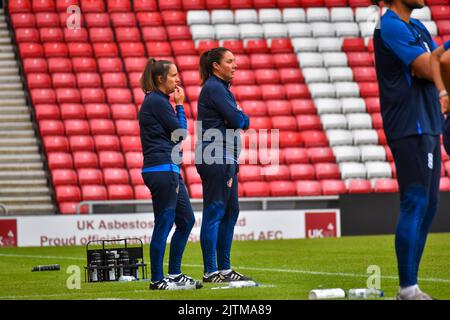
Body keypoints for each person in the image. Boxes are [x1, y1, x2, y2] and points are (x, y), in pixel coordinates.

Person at [372, 0, 448, 300]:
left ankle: (410, 287)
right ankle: (407, 288)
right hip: (409, 124)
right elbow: (430, 66)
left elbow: (438, 66)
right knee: (415, 201)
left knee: (429, 204)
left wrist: (439, 70)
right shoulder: (389, 25)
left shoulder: (416, 26)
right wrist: (437, 65)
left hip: (428, 121)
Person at [139, 58, 201, 290]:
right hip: (161, 168)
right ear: (160, 79)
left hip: (169, 168)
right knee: (164, 223)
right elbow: (181, 132)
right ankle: (157, 279)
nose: (178, 79)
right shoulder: (157, 101)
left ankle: (174, 274)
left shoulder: (158, 101)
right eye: (174, 75)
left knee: (186, 220)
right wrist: (181, 105)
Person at [195, 47, 251, 283]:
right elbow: (240, 120)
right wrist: (240, 116)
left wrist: (240, 117)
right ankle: (211, 270)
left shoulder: (222, 89)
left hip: (225, 156)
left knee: (230, 211)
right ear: (216, 66)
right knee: (215, 211)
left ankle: (224, 269)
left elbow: (239, 120)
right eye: (229, 61)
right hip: (216, 155)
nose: (235, 65)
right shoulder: (215, 89)